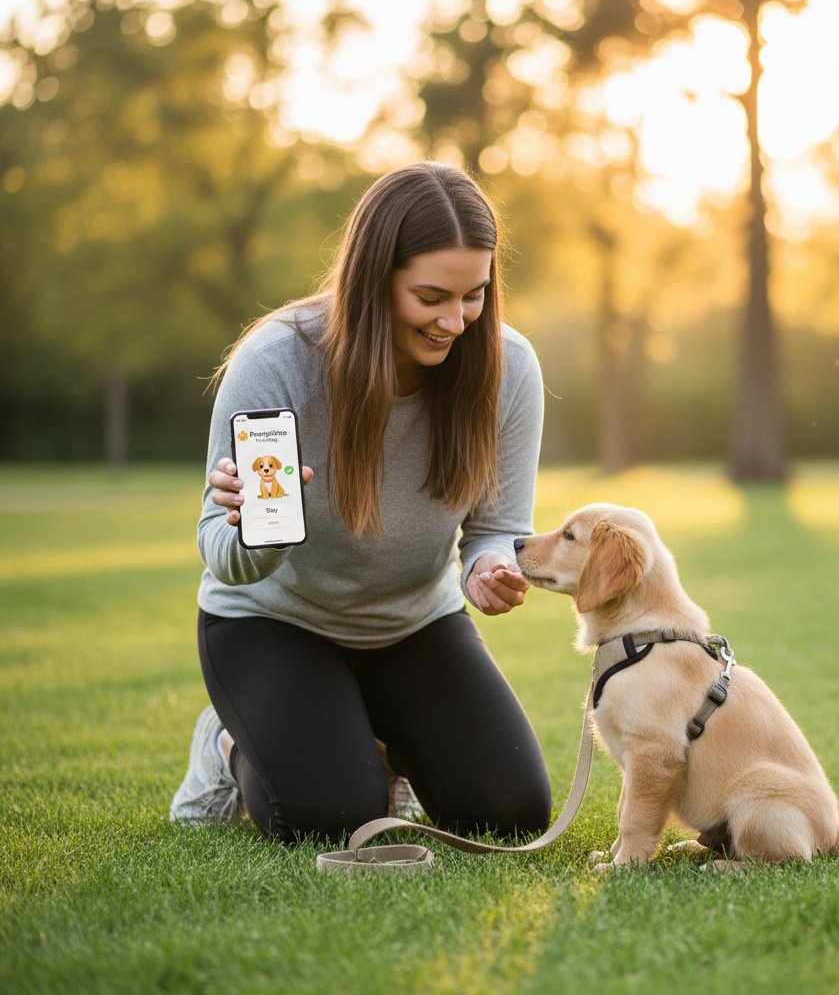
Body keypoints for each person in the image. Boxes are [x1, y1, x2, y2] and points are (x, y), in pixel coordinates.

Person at [169, 161, 552, 844]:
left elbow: (497, 529)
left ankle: (372, 736)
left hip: (413, 623)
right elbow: (222, 555)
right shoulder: (277, 361)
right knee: (333, 817)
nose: (455, 322)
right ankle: (227, 742)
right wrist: (261, 532)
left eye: (473, 296)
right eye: (431, 297)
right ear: (375, 279)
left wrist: (486, 569)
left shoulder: (508, 366)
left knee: (511, 811)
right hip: (273, 623)